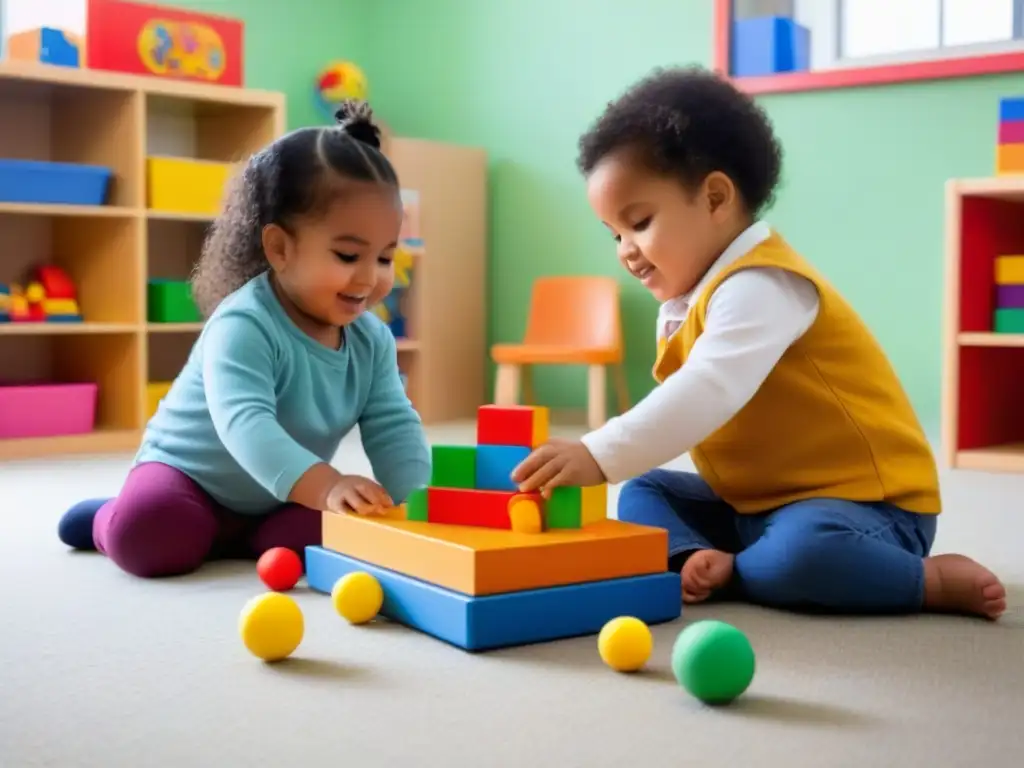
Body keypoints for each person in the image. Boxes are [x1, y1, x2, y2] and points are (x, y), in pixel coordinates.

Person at [512, 66, 1006, 620]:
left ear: (716, 197)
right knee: (646, 491)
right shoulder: (686, 303)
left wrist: (599, 452)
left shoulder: (763, 284)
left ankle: (925, 580)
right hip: (756, 502)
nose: (627, 250)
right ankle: (702, 558)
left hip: (867, 509)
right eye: (615, 235)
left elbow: (707, 390)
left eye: (640, 222)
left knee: (799, 555)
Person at [57, 101, 430, 579]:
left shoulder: (372, 340)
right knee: (148, 535)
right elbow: (246, 424)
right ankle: (105, 519)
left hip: (279, 494)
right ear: (279, 248)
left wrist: (421, 503)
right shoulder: (244, 323)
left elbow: (393, 424)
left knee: (337, 539)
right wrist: (325, 484)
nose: (369, 277)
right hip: (189, 478)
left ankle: (236, 535)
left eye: (384, 258)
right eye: (347, 254)